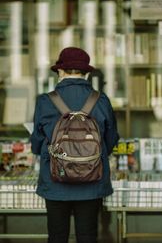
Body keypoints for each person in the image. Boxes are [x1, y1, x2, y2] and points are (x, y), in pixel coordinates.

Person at [31, 47, 119, 243]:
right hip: (92, 181)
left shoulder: (45, 101)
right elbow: (111, 138)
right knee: (88, 236)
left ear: (60, 71)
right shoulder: (101, 100)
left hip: (55, 181)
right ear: (86, 72)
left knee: (57, 236)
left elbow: (37, 143)